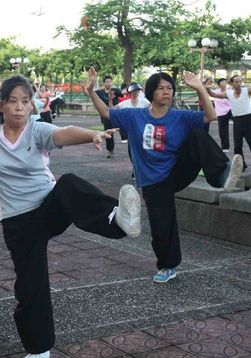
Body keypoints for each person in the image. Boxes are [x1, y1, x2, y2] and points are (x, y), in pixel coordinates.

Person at [0, 75, 142, 358]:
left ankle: (116, 220)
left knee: (69, 184)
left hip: (49, 206)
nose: (20, 107)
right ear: (1, 105)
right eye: (13, 101)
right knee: (29, 285)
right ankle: (39, 347)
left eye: (26, 101)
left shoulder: (36, 130)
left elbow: (63, 133)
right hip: (17, 221)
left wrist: (92, 135)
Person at [86, 67, 243, 284]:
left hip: (177, 170)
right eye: (161, 88)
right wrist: (91, 91)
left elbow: (211, 116)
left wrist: (199, 89)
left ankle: (221, 176)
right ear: (151, 92)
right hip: (153, 180)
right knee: (162, 224)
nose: (166, 92)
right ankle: (168, 266)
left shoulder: (180, 116)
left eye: (169, 88)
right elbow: (106, 113)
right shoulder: (134, 116)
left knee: (198, 136)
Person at [209, 74, 251, 171]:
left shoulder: (246, 91)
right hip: (237, 121)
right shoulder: (229, 94)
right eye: (236, 82)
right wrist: (206, 88)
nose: (239, 83)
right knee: (237, 146)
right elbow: (214, 95)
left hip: (249, 119)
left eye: (240, 81)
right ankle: (240, 166)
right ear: (232, 83)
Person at [84, 75, 121, 157]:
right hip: (106, 115)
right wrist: (84, 87)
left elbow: (125, 94)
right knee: (109, 132)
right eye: (107, 82)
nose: (109, 83)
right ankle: (110, 150)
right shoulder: (100, 92)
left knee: (124, 129)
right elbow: (88, 93)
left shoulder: (116, 91)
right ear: (104, 83)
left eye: (110, 82)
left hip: (117, 114)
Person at [211, 78, 232, 152]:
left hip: (231, 110)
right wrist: (206, 85)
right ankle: (225, 147)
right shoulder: (216, 91)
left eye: (225, 82)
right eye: (223, 82)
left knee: (240, 121)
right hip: (221, 112)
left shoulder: (230, 91)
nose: (224, 84)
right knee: (223, 130)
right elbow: (206, 91)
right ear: (219, 84)